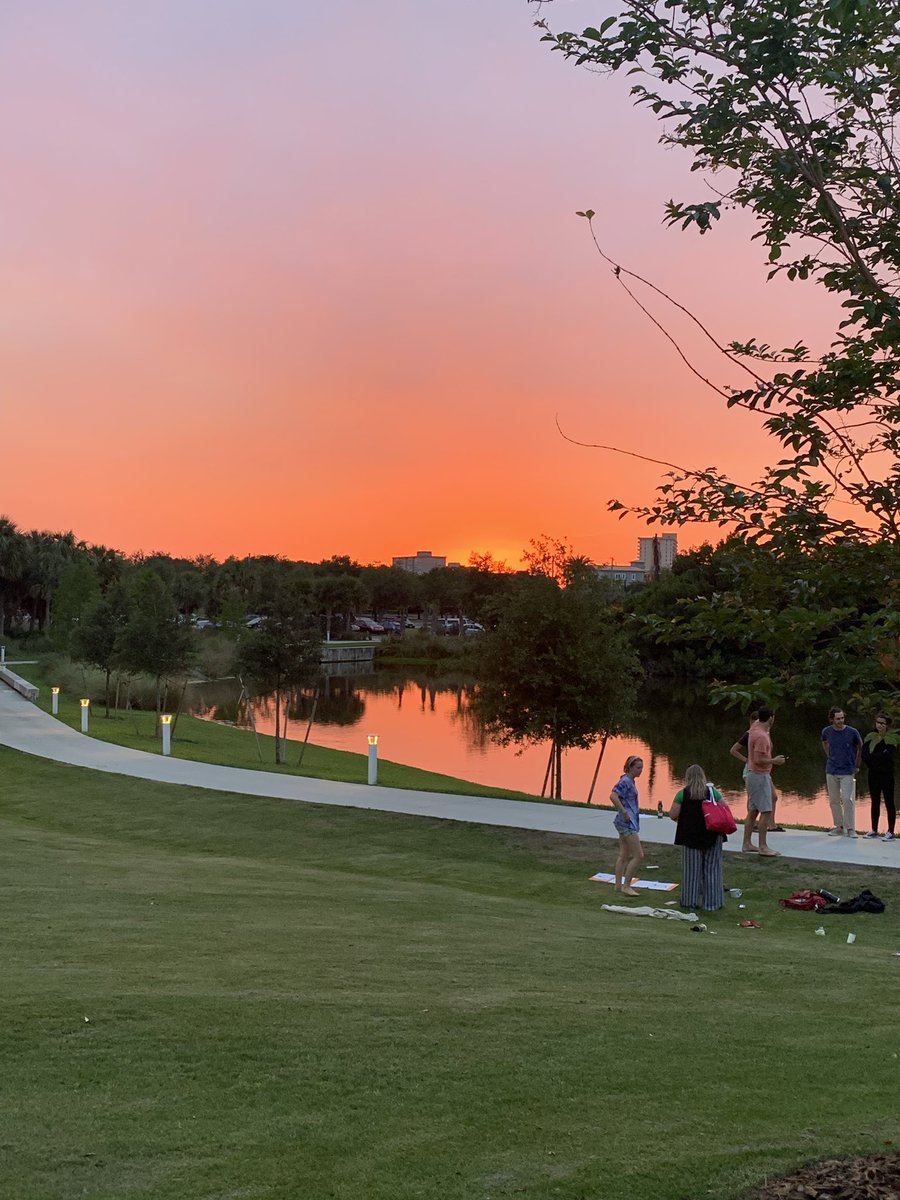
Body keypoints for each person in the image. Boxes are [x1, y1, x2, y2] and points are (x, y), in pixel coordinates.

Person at [669, 764, 726, 911]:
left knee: (691, 872)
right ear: (703, 776)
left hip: (690, 837)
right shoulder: (713, 793)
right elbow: (725, 810)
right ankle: (713, 904)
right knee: (713, 871)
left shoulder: (683, 794)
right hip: (713, 835)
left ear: (687, 777)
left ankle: (689, 902)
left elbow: (673, 814)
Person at [730, 711, 783, 832]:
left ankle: (771, 824)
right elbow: (734, 750)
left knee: (772, 797)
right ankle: (754, 827)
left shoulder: (764, 734)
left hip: (763, 771)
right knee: (754, 801)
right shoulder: (754, 734)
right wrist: (747, 760)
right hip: (754, 771)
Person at [742, 707, 784, 857]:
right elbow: (759, 760)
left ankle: (746, 844)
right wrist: (775, 760)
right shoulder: (761, 737)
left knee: (753, 810)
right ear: (771, 718)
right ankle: (763, 846)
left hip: (753, 775)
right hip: (759, 776)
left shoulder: (754, 728)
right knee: (766, 811)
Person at [821, 706, 863, 837]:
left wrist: (857, 764)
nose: (841, 721)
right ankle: (838, 826)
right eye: (838, 718)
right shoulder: (827, 731)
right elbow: (825, 743)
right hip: (832, 769)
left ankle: (850, 828)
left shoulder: (852, 732)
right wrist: (830, 756)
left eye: (842, 718)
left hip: (847, 770)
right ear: (832, 719)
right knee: (833, 799)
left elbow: (860, 746)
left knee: (847, 799)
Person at [610, 755, 644, 897]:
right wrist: (624, 811)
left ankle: (618, 886)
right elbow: (613, 796)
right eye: (638, 768)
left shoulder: (630, 781)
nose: (640, 770)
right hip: (627, 823)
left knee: (624, 855)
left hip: (626, 822)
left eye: (642, 768)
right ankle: (626, 886)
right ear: (630, 767)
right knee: (639, 855)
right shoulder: (625, 781)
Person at [862, 714, 896, 841]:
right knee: (874, 801)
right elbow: (865, 756)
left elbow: (888, 755)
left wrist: (875, 757)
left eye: (883, 723)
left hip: (887, 774)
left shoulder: (891, 738)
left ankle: (891, 831)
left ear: (887, 725)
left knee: (889, 802)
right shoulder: (870, 737)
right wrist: (877, 757)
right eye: (878, 722)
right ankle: (874, 829)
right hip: (873, 774)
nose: (880, 725)